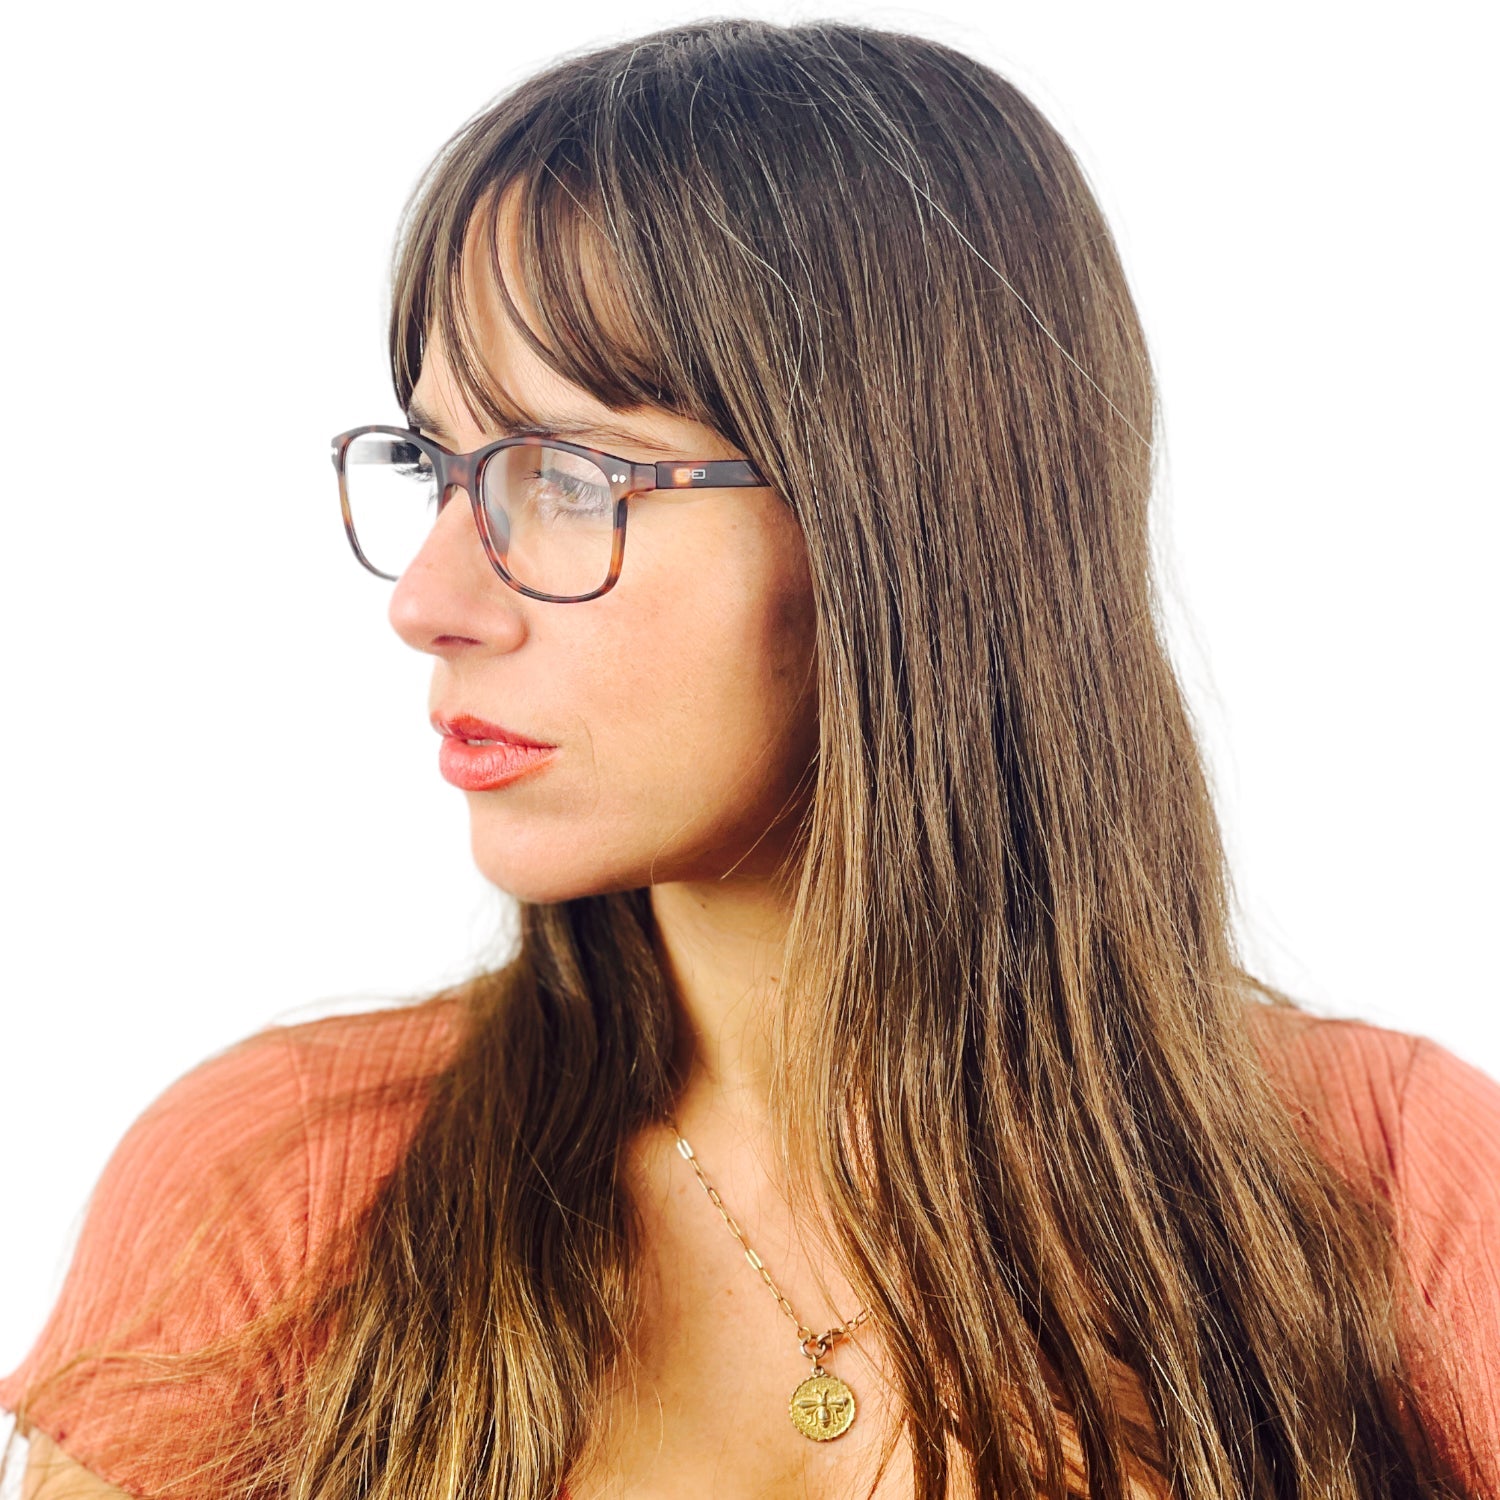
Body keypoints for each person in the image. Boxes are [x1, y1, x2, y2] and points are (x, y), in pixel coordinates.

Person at [5, 16, 1498, 1500]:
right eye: (437, 468)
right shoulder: (284, 1187)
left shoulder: (1400, 1193)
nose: (430, 602)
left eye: (563, 477)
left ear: (900, 521)